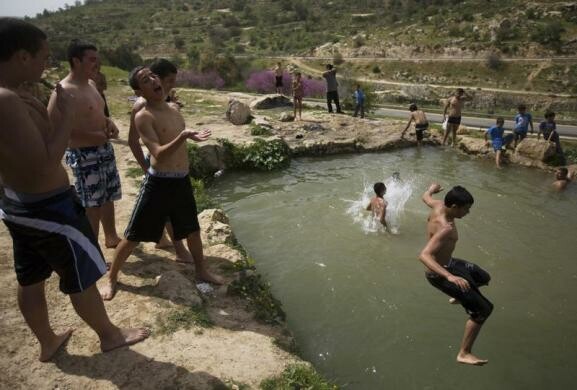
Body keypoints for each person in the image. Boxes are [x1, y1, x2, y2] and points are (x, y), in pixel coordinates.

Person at [0, 18, 149, 362]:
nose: (46, 64)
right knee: (80, 273)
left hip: (21, 205)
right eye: (42, 56)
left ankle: (48, 342)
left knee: (32, 276)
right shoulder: (7, 100)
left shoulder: (17, 93)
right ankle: (110, 336)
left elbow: (31, 146)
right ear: (22, 56)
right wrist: (65, 117)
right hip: (48, 209)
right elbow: (45, 163)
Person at [100, 66, 223, 300]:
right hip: (159, 184)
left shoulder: (175, 109)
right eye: (146, 80)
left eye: (153, 76)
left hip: (181, 180)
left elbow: (178, 140)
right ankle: (112, 278)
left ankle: (201, 270)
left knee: (193, 230)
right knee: (133, 236)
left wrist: (191, 136)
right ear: (140, 91)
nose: (154, 80)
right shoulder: (143, 116)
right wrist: (183, 137)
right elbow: (157, 153)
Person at [48, 40, 122, 249]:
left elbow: (98, 112)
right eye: (91, 59)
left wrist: (109, 123)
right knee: (92, 205)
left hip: (104, 149)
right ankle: (92, 249)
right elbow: (54, 130)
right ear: (76, 61)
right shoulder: (63, 92)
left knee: (108, 197)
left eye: (97, 59)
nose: (97, 63)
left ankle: (111, 237)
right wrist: (92, 137)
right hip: (83, 155)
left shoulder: (90, 84)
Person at [419, 183, 493, 366]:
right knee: (484, 309)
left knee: (483, 277)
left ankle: (458, 296)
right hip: (439, 274)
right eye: (466, 209)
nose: (467, 213)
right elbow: (424, 255)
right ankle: (464, 353)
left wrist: (431, 189)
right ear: (453, 207)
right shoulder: (445, 228)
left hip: (450, 263)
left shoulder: (438, 204)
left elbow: (425, 197)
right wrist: (450, 277)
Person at [127, 58, 192, 261]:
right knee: (160, 209)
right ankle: (178, 249)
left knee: (165, 208)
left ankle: (163, 240)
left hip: (171, 161)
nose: (173, 84)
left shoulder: (165, 99)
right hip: (158, 161)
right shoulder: (140, 107)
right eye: (170, 80)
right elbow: (132, 141)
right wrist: (145, 168)